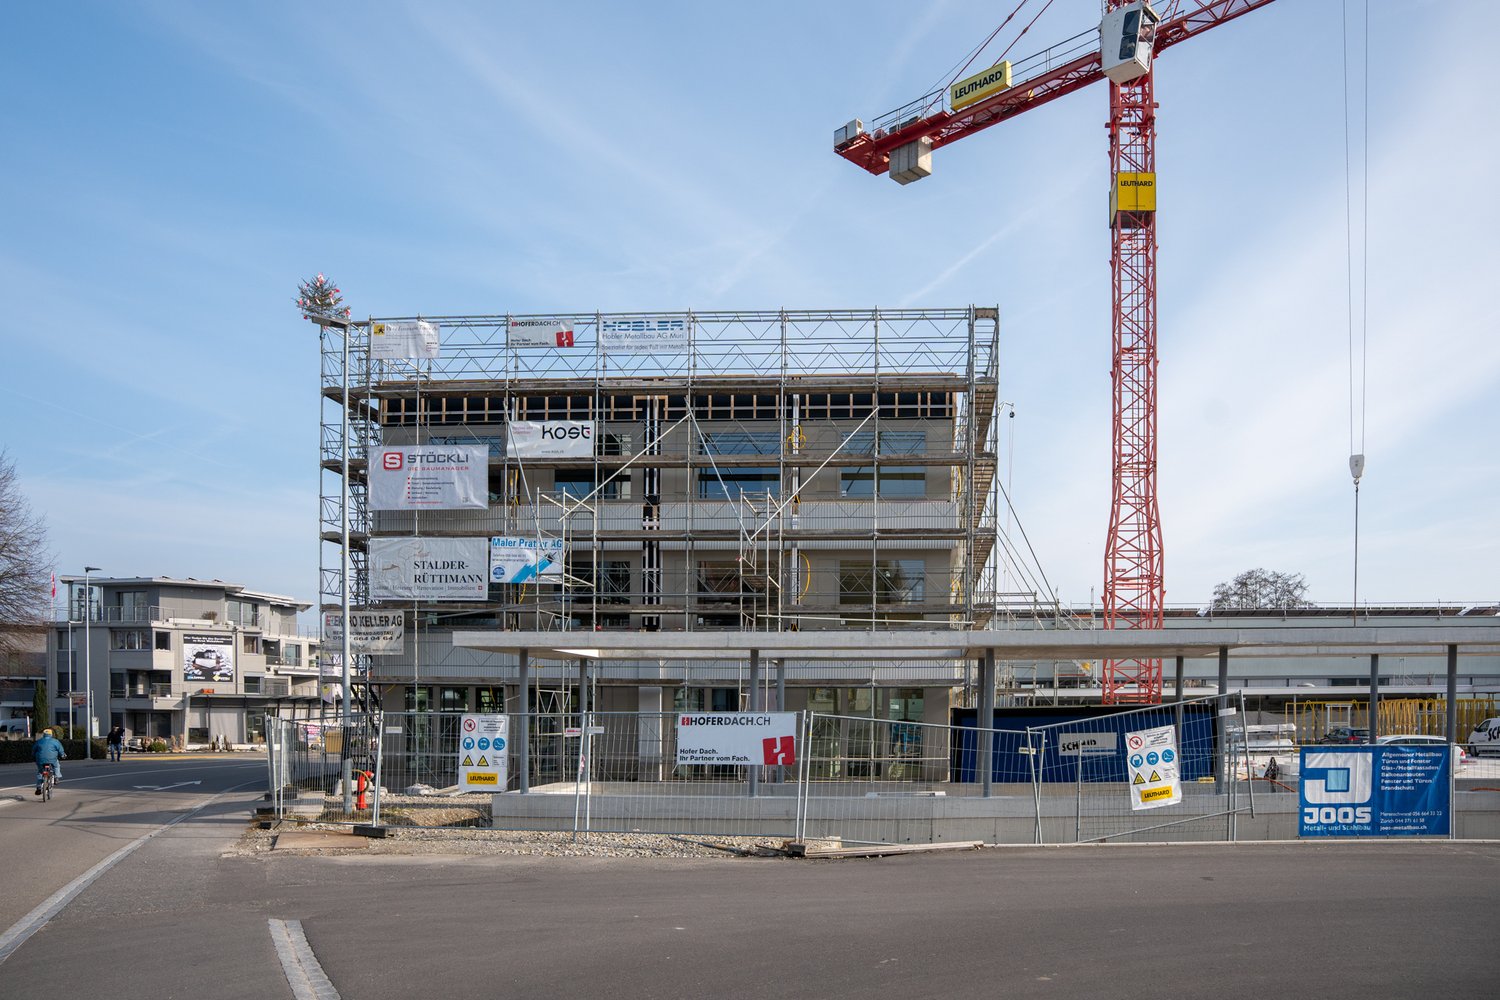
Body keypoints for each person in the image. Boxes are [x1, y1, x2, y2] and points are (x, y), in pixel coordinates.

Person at [34, 728, 66, 795]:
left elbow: (34, 750)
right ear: (51, 734)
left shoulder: (39, 741)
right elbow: (60, 750)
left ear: (44, 734)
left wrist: (34, 756)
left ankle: (39, 787)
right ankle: (57, 777)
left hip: (40, 760)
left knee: (40, 772)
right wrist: (63, 755)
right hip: (52, 760)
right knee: (56, 766)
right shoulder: (55, 741)